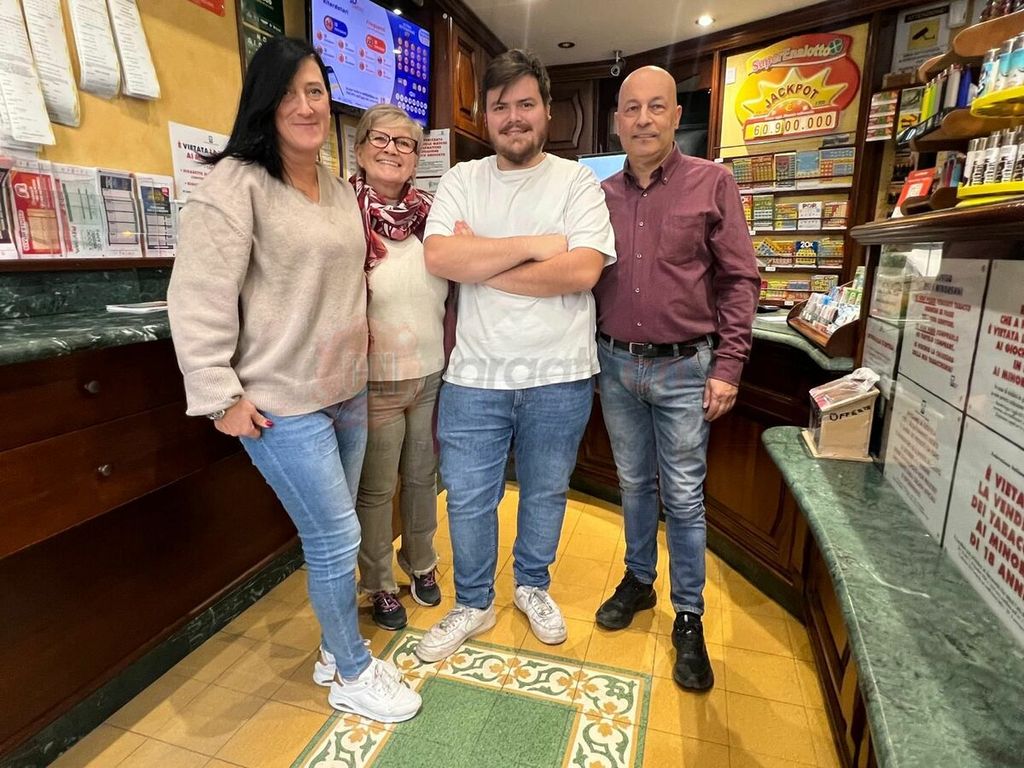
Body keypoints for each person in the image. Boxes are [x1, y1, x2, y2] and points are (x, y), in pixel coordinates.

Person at [166, 37, 420, 723]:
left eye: (315, 91)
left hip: (347, 392)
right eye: (288, 93)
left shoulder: (336, 189)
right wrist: (218, 395)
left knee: (338, 531)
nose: (306, 106)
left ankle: (336, 652)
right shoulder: (234, 185)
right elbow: (197, 295)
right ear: (263, 103)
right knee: (335, 538)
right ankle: (353, 673)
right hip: (281, 404)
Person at [414, 49, 616, 663]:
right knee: (469, 496)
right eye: (501, 106)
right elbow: (440, 257)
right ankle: (473, 602)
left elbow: (582, 271)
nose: (514, 117)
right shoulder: (461, 180)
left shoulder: (577, 182)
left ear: (547, 110)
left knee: (546, 491)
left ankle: (532, 586)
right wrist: (537, 246)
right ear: (486, 116)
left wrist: (484, 261)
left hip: (561, 374)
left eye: (526, 103)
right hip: (475, 375)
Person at [592, 65, 760, 691]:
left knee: (684, 497)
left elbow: (740, 280)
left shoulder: (712, 182)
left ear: (675, 116)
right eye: (632, 108)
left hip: (687, 369)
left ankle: (689, 615)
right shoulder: (598, 195)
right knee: (634, 484)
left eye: (656, 107)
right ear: (617, 120)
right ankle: (639, 581)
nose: (643, 119)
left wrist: (729, 366)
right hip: (615, 365)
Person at [350, 104, 446, 630]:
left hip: (429, 374)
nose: (392, 150)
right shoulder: (344, 216)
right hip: (375, 380)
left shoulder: (433, 217)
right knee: (377, 488)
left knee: (423, 478)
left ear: (416, 157)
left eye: (404, 143)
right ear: (360, 149)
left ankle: (422, 563)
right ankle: (380, 583)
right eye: (380, 139)